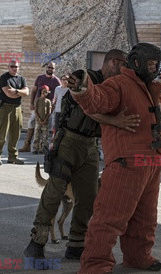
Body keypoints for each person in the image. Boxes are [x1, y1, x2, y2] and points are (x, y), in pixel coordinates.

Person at [67, 43, 161, 274]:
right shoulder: (118, 84)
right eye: (151, 63)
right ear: (136, 62)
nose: (155, 68)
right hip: (126, 162)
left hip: (152, 163)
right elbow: (98, 100)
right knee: (110, 216)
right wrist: (83, 88)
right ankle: (95, 263)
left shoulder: (159, 89)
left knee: (145, 217)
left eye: (157, 64)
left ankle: (138, 256)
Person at [23, 49, 142, 262]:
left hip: (89, 145)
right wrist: (115, 121)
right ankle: (37, 242)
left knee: (88, 197)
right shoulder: (87, 78)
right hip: (69, 141)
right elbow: (86, 104)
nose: (126, 71)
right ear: (114, 62)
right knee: (55, 190)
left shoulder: (113, 87)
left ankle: (76, 244)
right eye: (124, 65)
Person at [0, 60, 29, 165]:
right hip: (5, 108)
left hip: (17, 108)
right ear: (8, 67)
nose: (14, 68)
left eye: (16, 66)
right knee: (1, 134)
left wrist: (16, 91)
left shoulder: (21, 79)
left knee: (15, 134)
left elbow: (26, 92)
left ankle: (12, 157)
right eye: (12, 66)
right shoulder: (4, 78)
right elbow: (9, 94)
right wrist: (20, 93)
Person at [19, 61, 61, 152]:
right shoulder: (40, 78)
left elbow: (58, 94)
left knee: (46, 127)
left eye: (52, 68)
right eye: (49, 67)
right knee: (32, 123)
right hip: (38, 106)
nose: (50, 69)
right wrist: (31, 103)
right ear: (46, 67)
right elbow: (34, 91)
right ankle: (27, 145)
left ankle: (43, 147)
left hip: (48, 107)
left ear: (54, 69)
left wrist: (53, 107)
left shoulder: (57, 81)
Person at [32, 85, 52, 154]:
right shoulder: (37, 100)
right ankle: (35, 148)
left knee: (45, 136)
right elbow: (36, 110)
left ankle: (43, 148)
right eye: (43, 91)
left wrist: (45, 119)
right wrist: (39, 119)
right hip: (38, 120)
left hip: (45, 121)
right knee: (36, 135)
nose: (44, 93)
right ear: (41, 92)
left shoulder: (48, 101)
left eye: (46, 92)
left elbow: (49, 111)